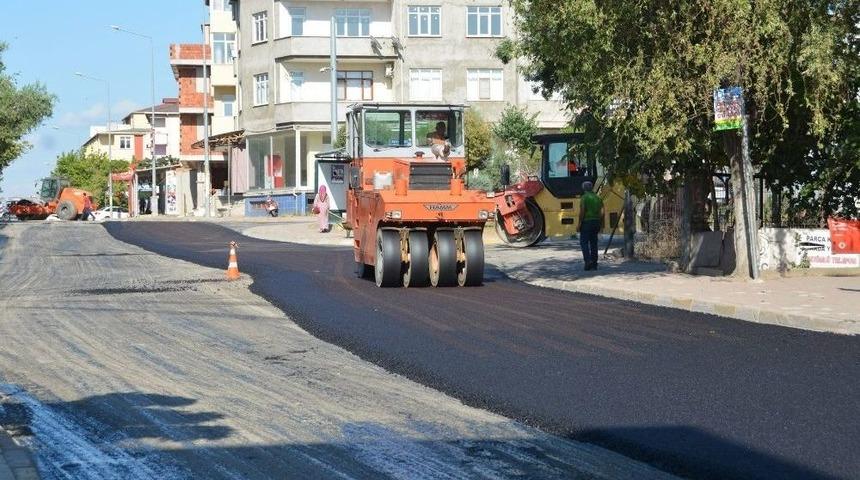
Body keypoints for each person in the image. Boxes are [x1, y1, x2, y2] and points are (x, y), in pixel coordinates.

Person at [578, 181, 604, 270]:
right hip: (596, 222)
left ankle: (587, 261)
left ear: (583, 188)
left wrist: (579, 224)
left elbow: (582, 212)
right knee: (594, 243)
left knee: (584, 242)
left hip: (586, 223)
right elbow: (602, 212)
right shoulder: (598, 198)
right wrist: (601, 223)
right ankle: (594, 263)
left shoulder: (584, 198)